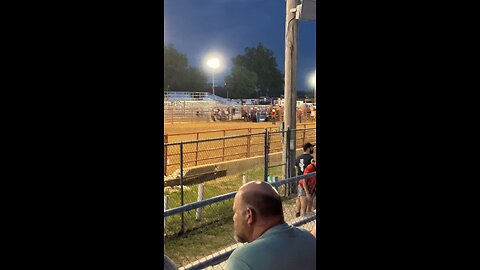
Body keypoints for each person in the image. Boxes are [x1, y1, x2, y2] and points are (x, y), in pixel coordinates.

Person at [226, 181, 316, 270]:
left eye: (235, 212)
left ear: (249, 215)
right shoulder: (309, 239)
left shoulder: (242, 260)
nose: (234, 218)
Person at [294, 143, 315, 217]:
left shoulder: (298, 158)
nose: (313, 149)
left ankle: (298, 211)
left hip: (299, 178)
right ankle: (305, 213)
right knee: (307, 199)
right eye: (312, 147)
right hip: (307, 180)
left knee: (299, 196)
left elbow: (296, 168)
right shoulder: (310, 158)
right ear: (308, 148)